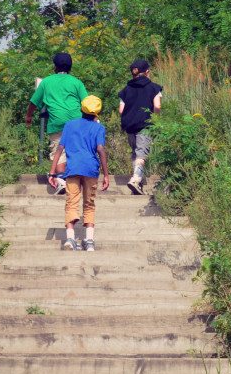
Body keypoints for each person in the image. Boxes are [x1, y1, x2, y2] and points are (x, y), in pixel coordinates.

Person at [49, 95, 110, 251]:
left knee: (71, 202)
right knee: (89, 203)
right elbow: (100, 150)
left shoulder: (70, 125)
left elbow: (60, 149)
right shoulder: (99, 128)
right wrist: (106, 174)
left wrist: (52, 172)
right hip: (91, 170)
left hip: (73, 169)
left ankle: (70, 239)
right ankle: (89, 241)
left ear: (81, 108)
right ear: (97, 112)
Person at [26, 52, 89, 194]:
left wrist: (28, 116)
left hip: (57, 123)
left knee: (58, 152)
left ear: (55, 66)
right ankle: (76, 180)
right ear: (70, 67)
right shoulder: (76, 82)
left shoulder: (46, 82)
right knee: (75, 150)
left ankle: (61, 180)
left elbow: (33, 102)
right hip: (77, 122)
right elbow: (87, 103)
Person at [118, 59, 163, 195]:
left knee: (135, 153)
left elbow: (121, 110)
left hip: (130, 126)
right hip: (145, 124)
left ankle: (137, 183)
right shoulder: (154, 88)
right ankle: (136, 180)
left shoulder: (125, 90)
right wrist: (155, 118)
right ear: (147, 72)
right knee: (142, 154)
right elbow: (157, 106)